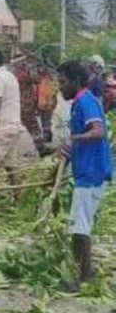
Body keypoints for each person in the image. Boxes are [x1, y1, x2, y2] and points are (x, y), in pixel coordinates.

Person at [58, 60, 112, 291]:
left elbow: (98, 131)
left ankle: (84, 276)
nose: (60, 88)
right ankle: (81, 271)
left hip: (92, 173)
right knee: (79, 223)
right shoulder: (80, 102)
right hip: (86, 171)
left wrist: (74, 140)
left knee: (80, 226)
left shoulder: (85, 101)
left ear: (75, 81)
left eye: (62, 83)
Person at [0, 49, 35, 199]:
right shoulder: (10, 76)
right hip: (13, 128)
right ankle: (21, 203)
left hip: (1, 129)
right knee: (12, 169)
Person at [37, 66, 58, 144]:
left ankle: (47, 136)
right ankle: (46, 135)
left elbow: (54, 92)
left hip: (48, 104)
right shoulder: (41, 80)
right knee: (44, 120)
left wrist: (51, 102)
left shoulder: (51, 81)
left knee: (46, 120)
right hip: (42, 104)